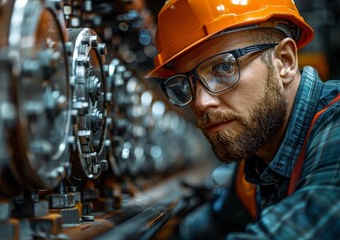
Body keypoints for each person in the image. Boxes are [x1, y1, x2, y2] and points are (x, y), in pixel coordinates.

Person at [145, 0, 340, 239]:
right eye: (187, 83)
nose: (200, 102)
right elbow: (205, 227)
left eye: (223, 68)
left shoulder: (335, 128)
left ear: (285, 62)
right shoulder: (255, 165)